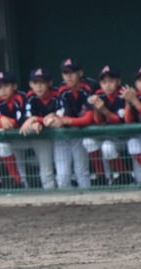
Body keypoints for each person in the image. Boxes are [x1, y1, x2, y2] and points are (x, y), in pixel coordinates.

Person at [44, 58, 98, 188]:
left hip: (93, 130)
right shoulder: (63, 89)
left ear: (80, 73)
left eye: (72, 72)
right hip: (75, 130)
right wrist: (54, 117)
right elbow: (67, 114)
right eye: (65, 73)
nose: (69, 76)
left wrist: (64, 120)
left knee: (81, 172)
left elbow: (88, 119)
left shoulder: (90, 86)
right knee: (63, 178)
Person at [86, 65, 131, 185]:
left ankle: (126, 175)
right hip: (108, 136)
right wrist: (96, 109)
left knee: (107, 146)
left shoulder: (123, 94)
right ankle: (104, 177)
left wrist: (104, 110)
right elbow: (99, 122)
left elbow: (121, 121)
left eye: (111, 81)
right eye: (104, 82)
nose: (107, 85)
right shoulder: (98, 94)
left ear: (118, 81)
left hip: (124, 137)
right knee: (91, 142)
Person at [19, 67, 58, 189]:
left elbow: (60, 118)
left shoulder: (57, 94)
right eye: (35, 82)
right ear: (30, 84)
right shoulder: (30, 96)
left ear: (50, 83)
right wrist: (34, 121)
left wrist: (35, 119)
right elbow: (26, 119)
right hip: (43, 138)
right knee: (46, 172)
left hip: (62, 138)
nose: (39, 86)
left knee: (65, 172)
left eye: (42, 82)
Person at [0, 71, 29, 188]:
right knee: (2, 145)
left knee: (46, 171)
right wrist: (1, 118)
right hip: (14, 139)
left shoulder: (22, 97)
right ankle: (20, 184)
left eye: (6, 85)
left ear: (14, 86)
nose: (3, 90)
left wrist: (3, 118)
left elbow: (22, 121)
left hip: (31, 138)